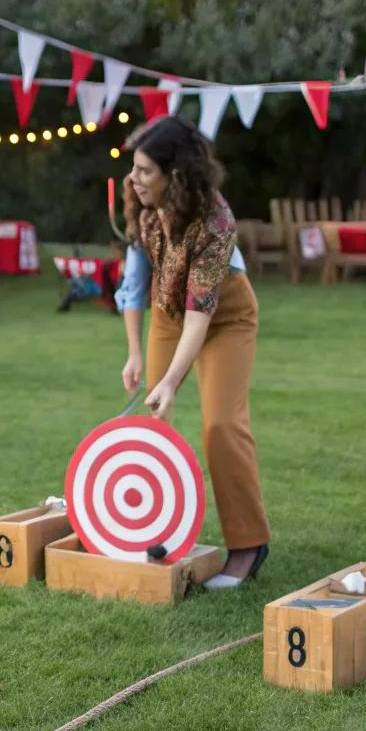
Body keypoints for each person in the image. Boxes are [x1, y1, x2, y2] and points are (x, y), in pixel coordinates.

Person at [114, 116, 269, 588]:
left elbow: (202, 314)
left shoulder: (215, 221)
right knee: (152, 424)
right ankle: (149, 534)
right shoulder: (142, 206)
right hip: (169, 312)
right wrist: (136, 355)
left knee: (221, 424)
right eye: (133, 169)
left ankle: (247, 546)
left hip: (224, 317)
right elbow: (134, 283)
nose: (134, 179)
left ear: (175, 175)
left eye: (144, 171)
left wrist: (170, 381)